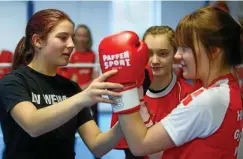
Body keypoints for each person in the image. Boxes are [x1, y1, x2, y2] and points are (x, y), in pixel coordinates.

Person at [99, 6, 243, 159]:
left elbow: (140, 146)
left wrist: (125, 90)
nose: (178, 55)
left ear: (214, 51)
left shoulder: (208, 100)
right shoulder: (228, 89)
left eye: (186, 48)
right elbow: (158, 153)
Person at [0, 9, 127, 159]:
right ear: (38, 41)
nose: (72, 44)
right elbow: (32, 125)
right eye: (63, 38)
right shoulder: (13, 82)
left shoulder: (71, 88)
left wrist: (128, 116)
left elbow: (97, 145)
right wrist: (82, 98)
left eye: (72, 38)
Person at [110, 26, 201, 159]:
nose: (154, 61)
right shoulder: (128, 94)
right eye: (149, 54)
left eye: (163, 53)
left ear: (175, 54)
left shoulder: (189, 96)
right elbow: (129, 151)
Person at [69, 24, 100, 127]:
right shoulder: (70, 55)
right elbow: (72, 79)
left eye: (84, 36)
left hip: (90, 92)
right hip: (74, 93)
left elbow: (96, 78)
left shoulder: (94, 55)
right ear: (74, 37)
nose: (81, 39)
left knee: (93, 123)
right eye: (79, 35)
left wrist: (85, 89)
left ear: (88, 38)